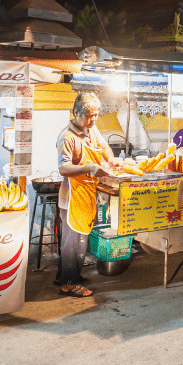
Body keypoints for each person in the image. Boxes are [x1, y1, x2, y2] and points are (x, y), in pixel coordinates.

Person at [55, 93, 121, 297]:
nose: (93, 120)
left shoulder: (91, 129)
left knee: (78, 239)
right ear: (76, 113)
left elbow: (103, 146)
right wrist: (91, 167)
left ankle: (65, 275)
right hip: (71, 198)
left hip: (86, 194)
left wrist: (111, 160)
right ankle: (69, 284)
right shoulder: (67, 137)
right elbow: (63, 168)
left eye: (96, 115)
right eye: (89, 116)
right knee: (73, 243)